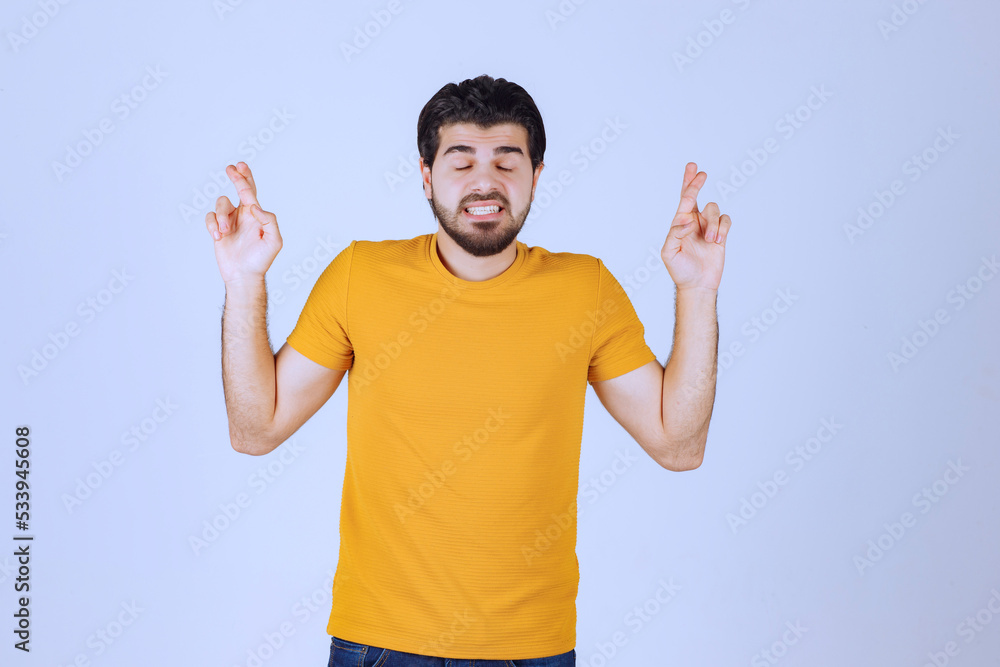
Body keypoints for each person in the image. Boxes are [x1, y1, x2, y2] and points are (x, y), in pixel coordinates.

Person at [206, 74, 731, 666]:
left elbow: (678, 445)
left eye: (508, 162)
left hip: (532, 650)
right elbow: (256, 430)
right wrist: (245, 280)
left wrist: (697, 290)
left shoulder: (587, 289)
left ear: (536, 177)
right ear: (427, 176)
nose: (486, 181)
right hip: (381, 646)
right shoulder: (359, 277)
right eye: (462, 161)